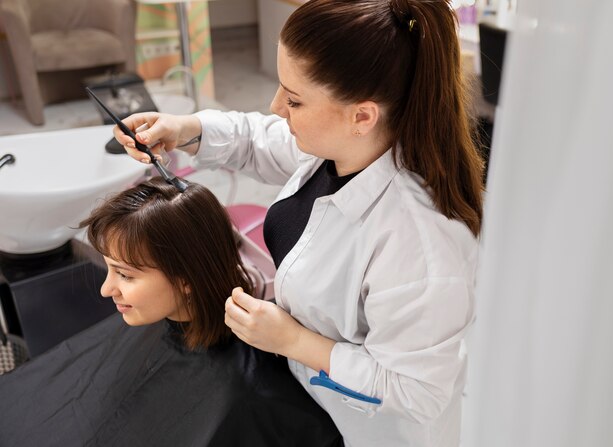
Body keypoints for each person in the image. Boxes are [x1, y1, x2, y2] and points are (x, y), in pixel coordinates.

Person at [113, 1, 484, 445]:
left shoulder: (420, 245)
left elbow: (416, 392)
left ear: (362, 116)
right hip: (301, 398)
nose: (276, 107)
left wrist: (294, 341)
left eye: (293, 99)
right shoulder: (343, 146)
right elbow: (259, 140)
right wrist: (186, 127)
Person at [0, 178, 343, 447]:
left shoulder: (248, 395)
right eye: (110, 270)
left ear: (186, 279)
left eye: (126, 274)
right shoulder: (157, 320)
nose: (107, 289)